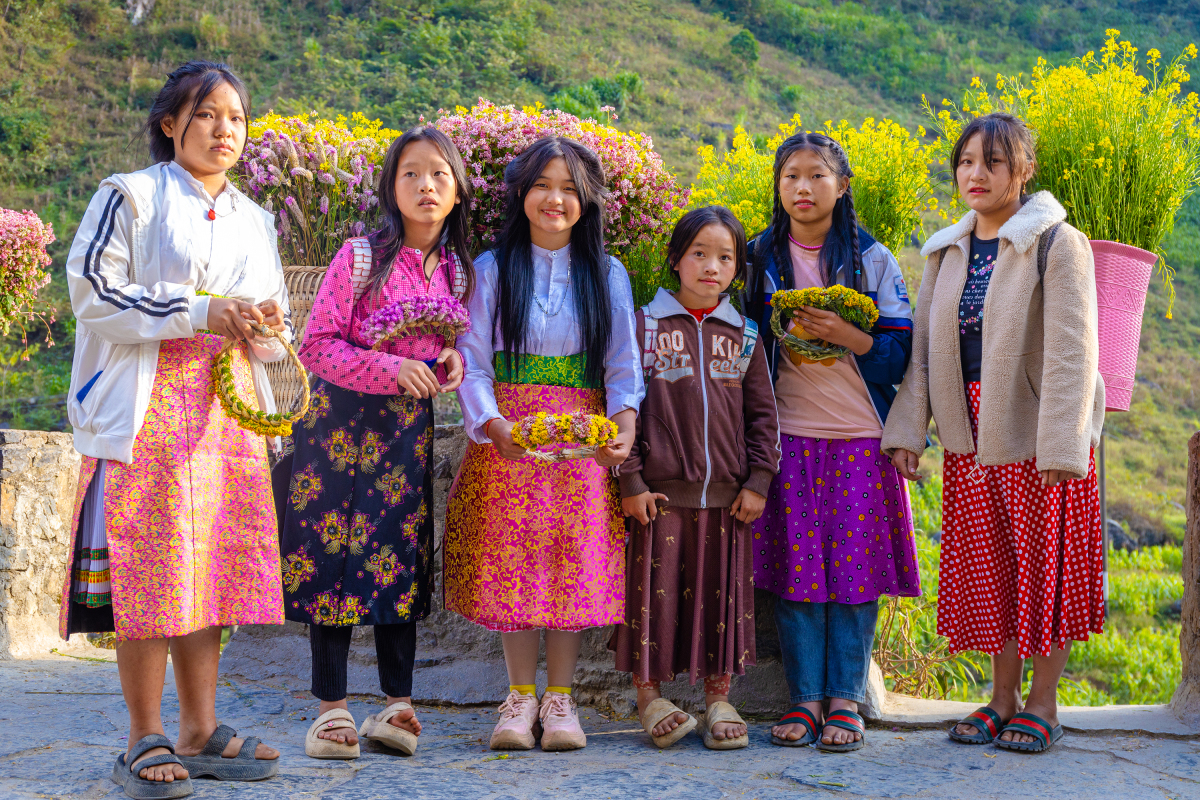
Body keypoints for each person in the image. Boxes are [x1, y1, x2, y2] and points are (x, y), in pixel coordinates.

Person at [62, 60, 287, 798]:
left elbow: (269, 310)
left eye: (237, 118)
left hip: (227, 417)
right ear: (170, 125)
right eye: (208, 114)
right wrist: (199, 310)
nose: (226, 130)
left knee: (211, 570)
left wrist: (265, 326)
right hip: (147, 408)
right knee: (153, 568)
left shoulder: (255, 219)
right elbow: (93, 292)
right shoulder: (128, 196)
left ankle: (200, 727)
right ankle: (142, 734)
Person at [882, 112, 1105, 754]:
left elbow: (1072, 349)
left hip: (1037, 436)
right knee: (994, 571)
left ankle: (1042, 704)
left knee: (1043, 571)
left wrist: (1064, 445)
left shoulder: (1058, 244)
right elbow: (925, 350)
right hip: (968, 434)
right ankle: (999, 700)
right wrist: (910, 429)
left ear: (1023, 171)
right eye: (966, 162)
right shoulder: (947, 251)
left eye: (993, 163)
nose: (975, 175)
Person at [277, 126, 474, 759]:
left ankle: (397, 705)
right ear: (392, 187)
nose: (425, 186)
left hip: (403, 434)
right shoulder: (361, 257)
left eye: (439, 174)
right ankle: (331, 710)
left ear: (457, 189)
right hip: (334, 426)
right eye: (411, 174)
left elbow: (453, 346)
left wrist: (449, 359)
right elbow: (317, 345)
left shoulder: (458, 271)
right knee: (330, 558)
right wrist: (390, 369)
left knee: (399, 556)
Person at [445, 135, 643, 752]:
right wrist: (492, 425)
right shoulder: (491, 269)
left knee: (567, 559)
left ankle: (561, 701)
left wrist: (624, 429)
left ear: (587, 201)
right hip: (513, 438)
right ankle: (518, 697)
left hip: (581, 441)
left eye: (568, 188)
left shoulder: (607, 274)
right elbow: (474, 363)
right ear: (521, 194)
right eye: (542, 186)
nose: (555, 199)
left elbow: (621, 367)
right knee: (515, 561)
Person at [746, 132, 920, 752]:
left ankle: (844, 697)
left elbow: (901, 355)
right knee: (797, 575)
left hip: (860, 438)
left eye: (817, 175)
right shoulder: (759, 257)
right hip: (787, 439)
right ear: (778, 185)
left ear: (842, 186)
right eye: (791, 175)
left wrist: (848, 334)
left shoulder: (873, 260)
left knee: (853, 575)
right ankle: (804, 701)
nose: (802, 187)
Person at [609, 205, 780, 750]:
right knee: (650, 602)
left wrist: (758, 481)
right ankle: (649, 696)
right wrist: (630, 481)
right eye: (699, 254)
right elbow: (622, 405)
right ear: (675, 259)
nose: (712, 266)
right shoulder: (644, 326)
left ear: (738, 270)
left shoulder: (746, 335)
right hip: (658, 496)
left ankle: (718, 697)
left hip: (729, 499)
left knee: (720, 598)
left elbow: (764, 417)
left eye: (725, 257)